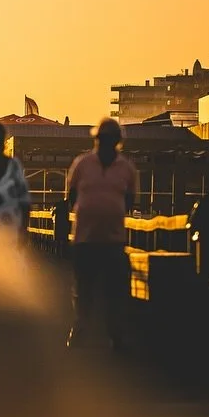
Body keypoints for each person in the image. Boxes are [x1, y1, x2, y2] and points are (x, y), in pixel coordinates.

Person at [64, 117, 137, 350]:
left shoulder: (126, 168)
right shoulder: (82, 164)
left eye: (110, 140)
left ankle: (115, 334)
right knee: (83, 287)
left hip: (113, 240)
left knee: (115, 289)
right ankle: (81, 327)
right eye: (102, 139)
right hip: (85, 238)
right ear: (97, 140)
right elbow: (71, 195)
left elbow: (129, 200)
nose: (105, 143)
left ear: (117, 142)